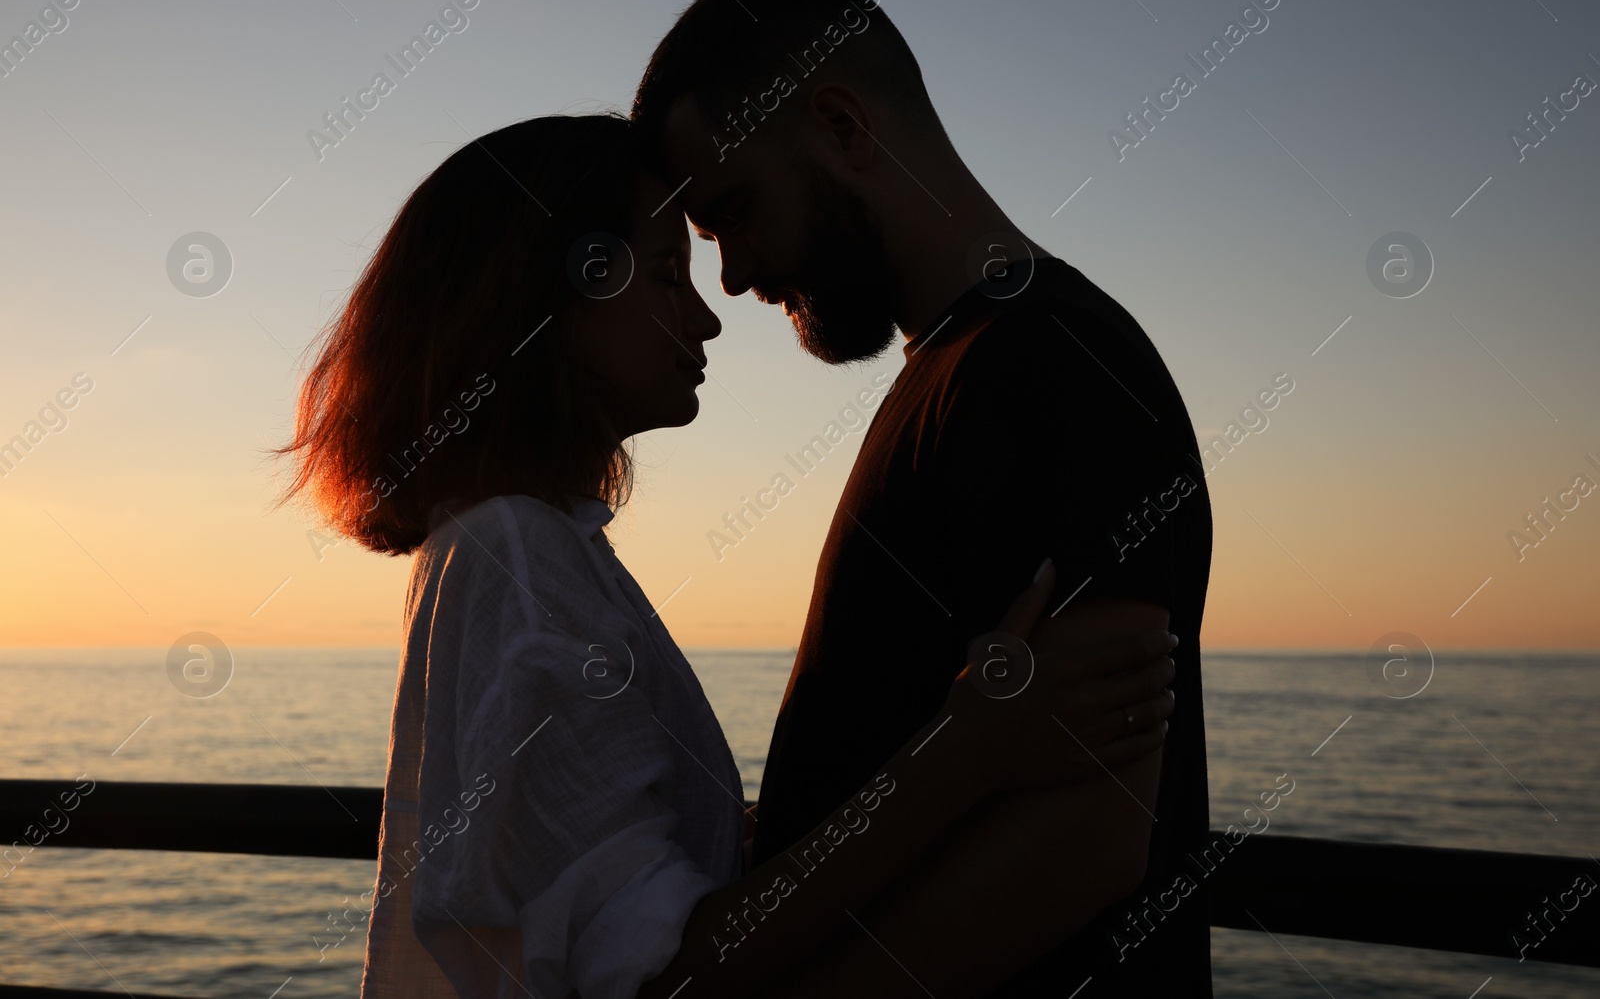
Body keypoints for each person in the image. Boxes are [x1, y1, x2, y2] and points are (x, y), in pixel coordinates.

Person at [276, 113, 1178, 998]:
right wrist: (967, 748)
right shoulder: (517, 552)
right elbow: (669, 974)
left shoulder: (518, 544)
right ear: (545, 299)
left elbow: (596, 899)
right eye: (669, 273)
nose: (709, 316)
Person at [630, 0, 1215, 997]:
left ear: (844, 128)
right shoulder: (953, 370)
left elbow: (1087, 838)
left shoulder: (1057, 363)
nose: (731, 274)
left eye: (732, 215)